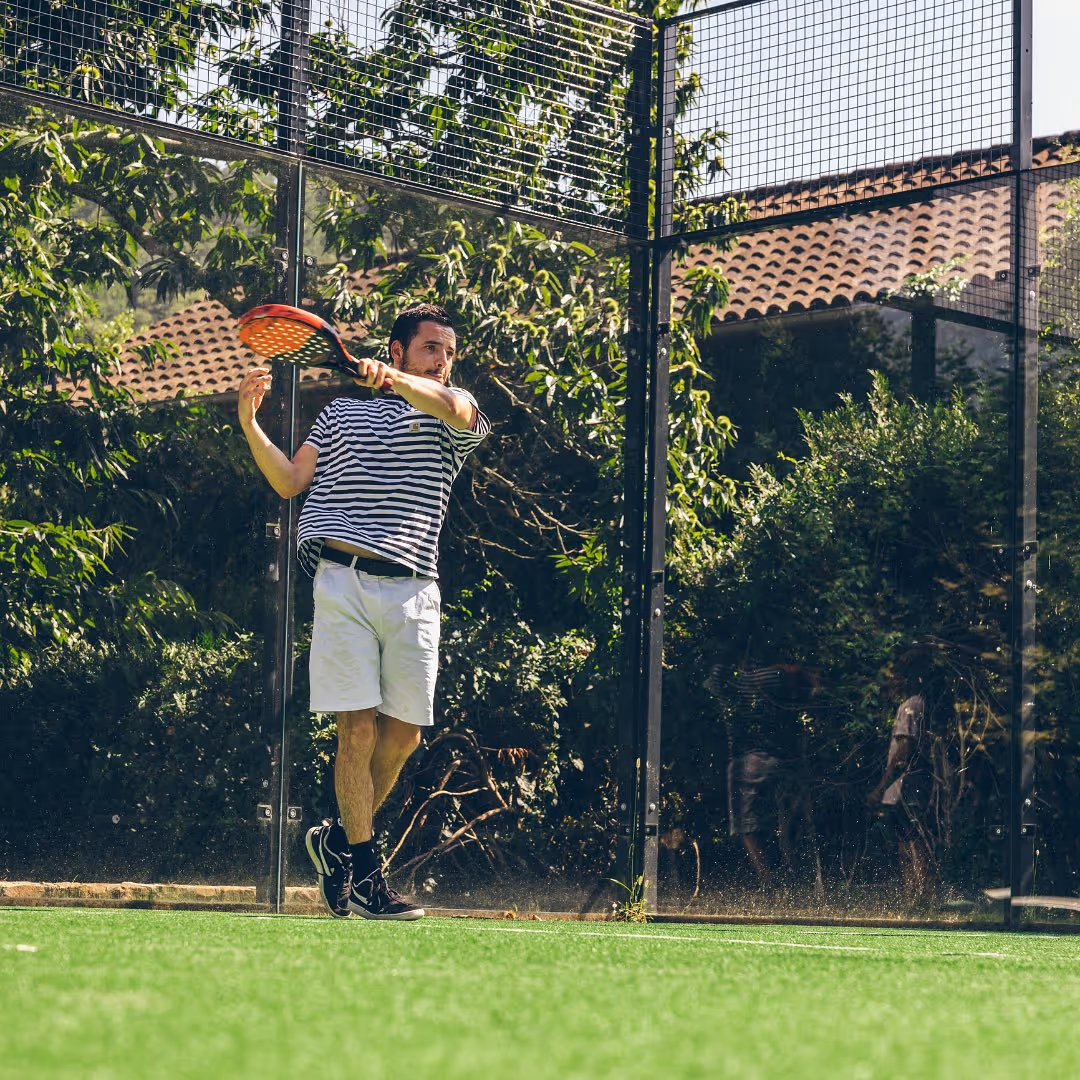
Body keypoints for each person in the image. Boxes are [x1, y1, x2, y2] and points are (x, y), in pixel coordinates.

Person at [238, 303, 490, 920]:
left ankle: (336, 843)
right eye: (431, 348)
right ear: (399, 348)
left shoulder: (448, 414)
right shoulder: (342, 413)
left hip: (414, 591)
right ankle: (369, 879)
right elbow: (291, 480)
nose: (443, 360)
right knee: (357, 729)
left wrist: (400, 380)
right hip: (342, 582)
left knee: (402, 737)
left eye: (449, 352)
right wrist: (249, 423)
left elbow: (455, 407)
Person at [709, 662, 821, 889]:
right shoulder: (775, 678)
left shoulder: (746, 678)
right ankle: (784, 877)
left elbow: (713, 684)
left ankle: (769, 881)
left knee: (747, 824)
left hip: (754, 758)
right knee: (778, 819)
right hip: (779, 758)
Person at [866, 678, 936, 904]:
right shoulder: (922, 704)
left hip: (906, 784)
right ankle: (912, 895)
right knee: (905, 841)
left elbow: (904, 749)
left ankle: (922, 895)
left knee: (913, 840)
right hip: (904, 786)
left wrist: (881, 787)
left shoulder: (911, 705)